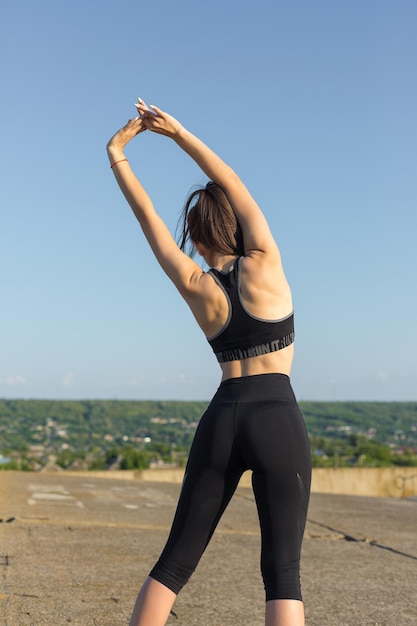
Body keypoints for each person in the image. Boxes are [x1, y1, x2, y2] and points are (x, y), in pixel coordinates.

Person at [106, 99, 312, 626]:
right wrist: (176, 133)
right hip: (276, 416)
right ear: (236, 227)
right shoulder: (265, 263)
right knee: (282, 573)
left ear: (196, 238)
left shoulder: (195, 284)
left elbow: (148, 218)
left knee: (174, 563)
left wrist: (118, 155)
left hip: (221, 418)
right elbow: (231, 180)